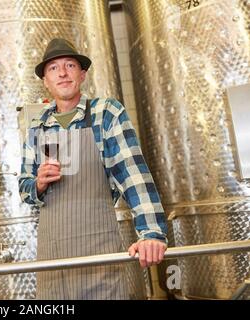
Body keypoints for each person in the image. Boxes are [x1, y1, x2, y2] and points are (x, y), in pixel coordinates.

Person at [18, 38, 168, 300]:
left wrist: (151, 233)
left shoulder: (105, 112)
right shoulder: (37, 126)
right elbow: (24, 187)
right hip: (53, 260)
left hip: (100, 252)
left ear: (82, 74)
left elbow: (133, 174)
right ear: (45, 80)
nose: (62, 73)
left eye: (70, 65)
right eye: (53, 68)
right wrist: (38, 184)